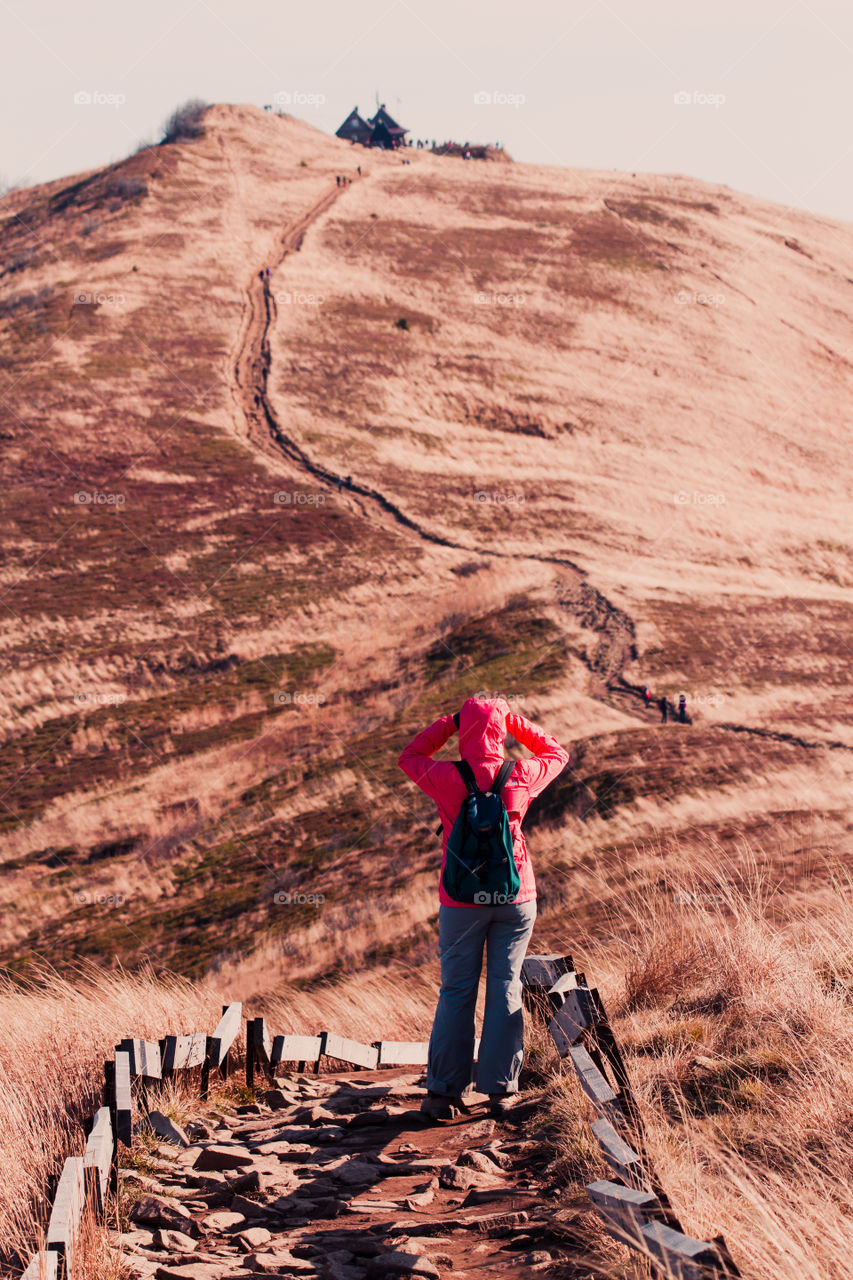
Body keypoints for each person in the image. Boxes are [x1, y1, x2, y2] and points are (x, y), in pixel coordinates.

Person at [398, 695, 569, 1120]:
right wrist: (515, 722)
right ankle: (500, 1090)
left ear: (465, 731)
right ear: (500, 730)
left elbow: (409, 755)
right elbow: (557, 752)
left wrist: (450, 722)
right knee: (505, 985)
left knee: (456, 990)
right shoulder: (521, 775)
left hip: (460, 900)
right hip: (514, 898)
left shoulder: (445, 776)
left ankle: (442, 1093)